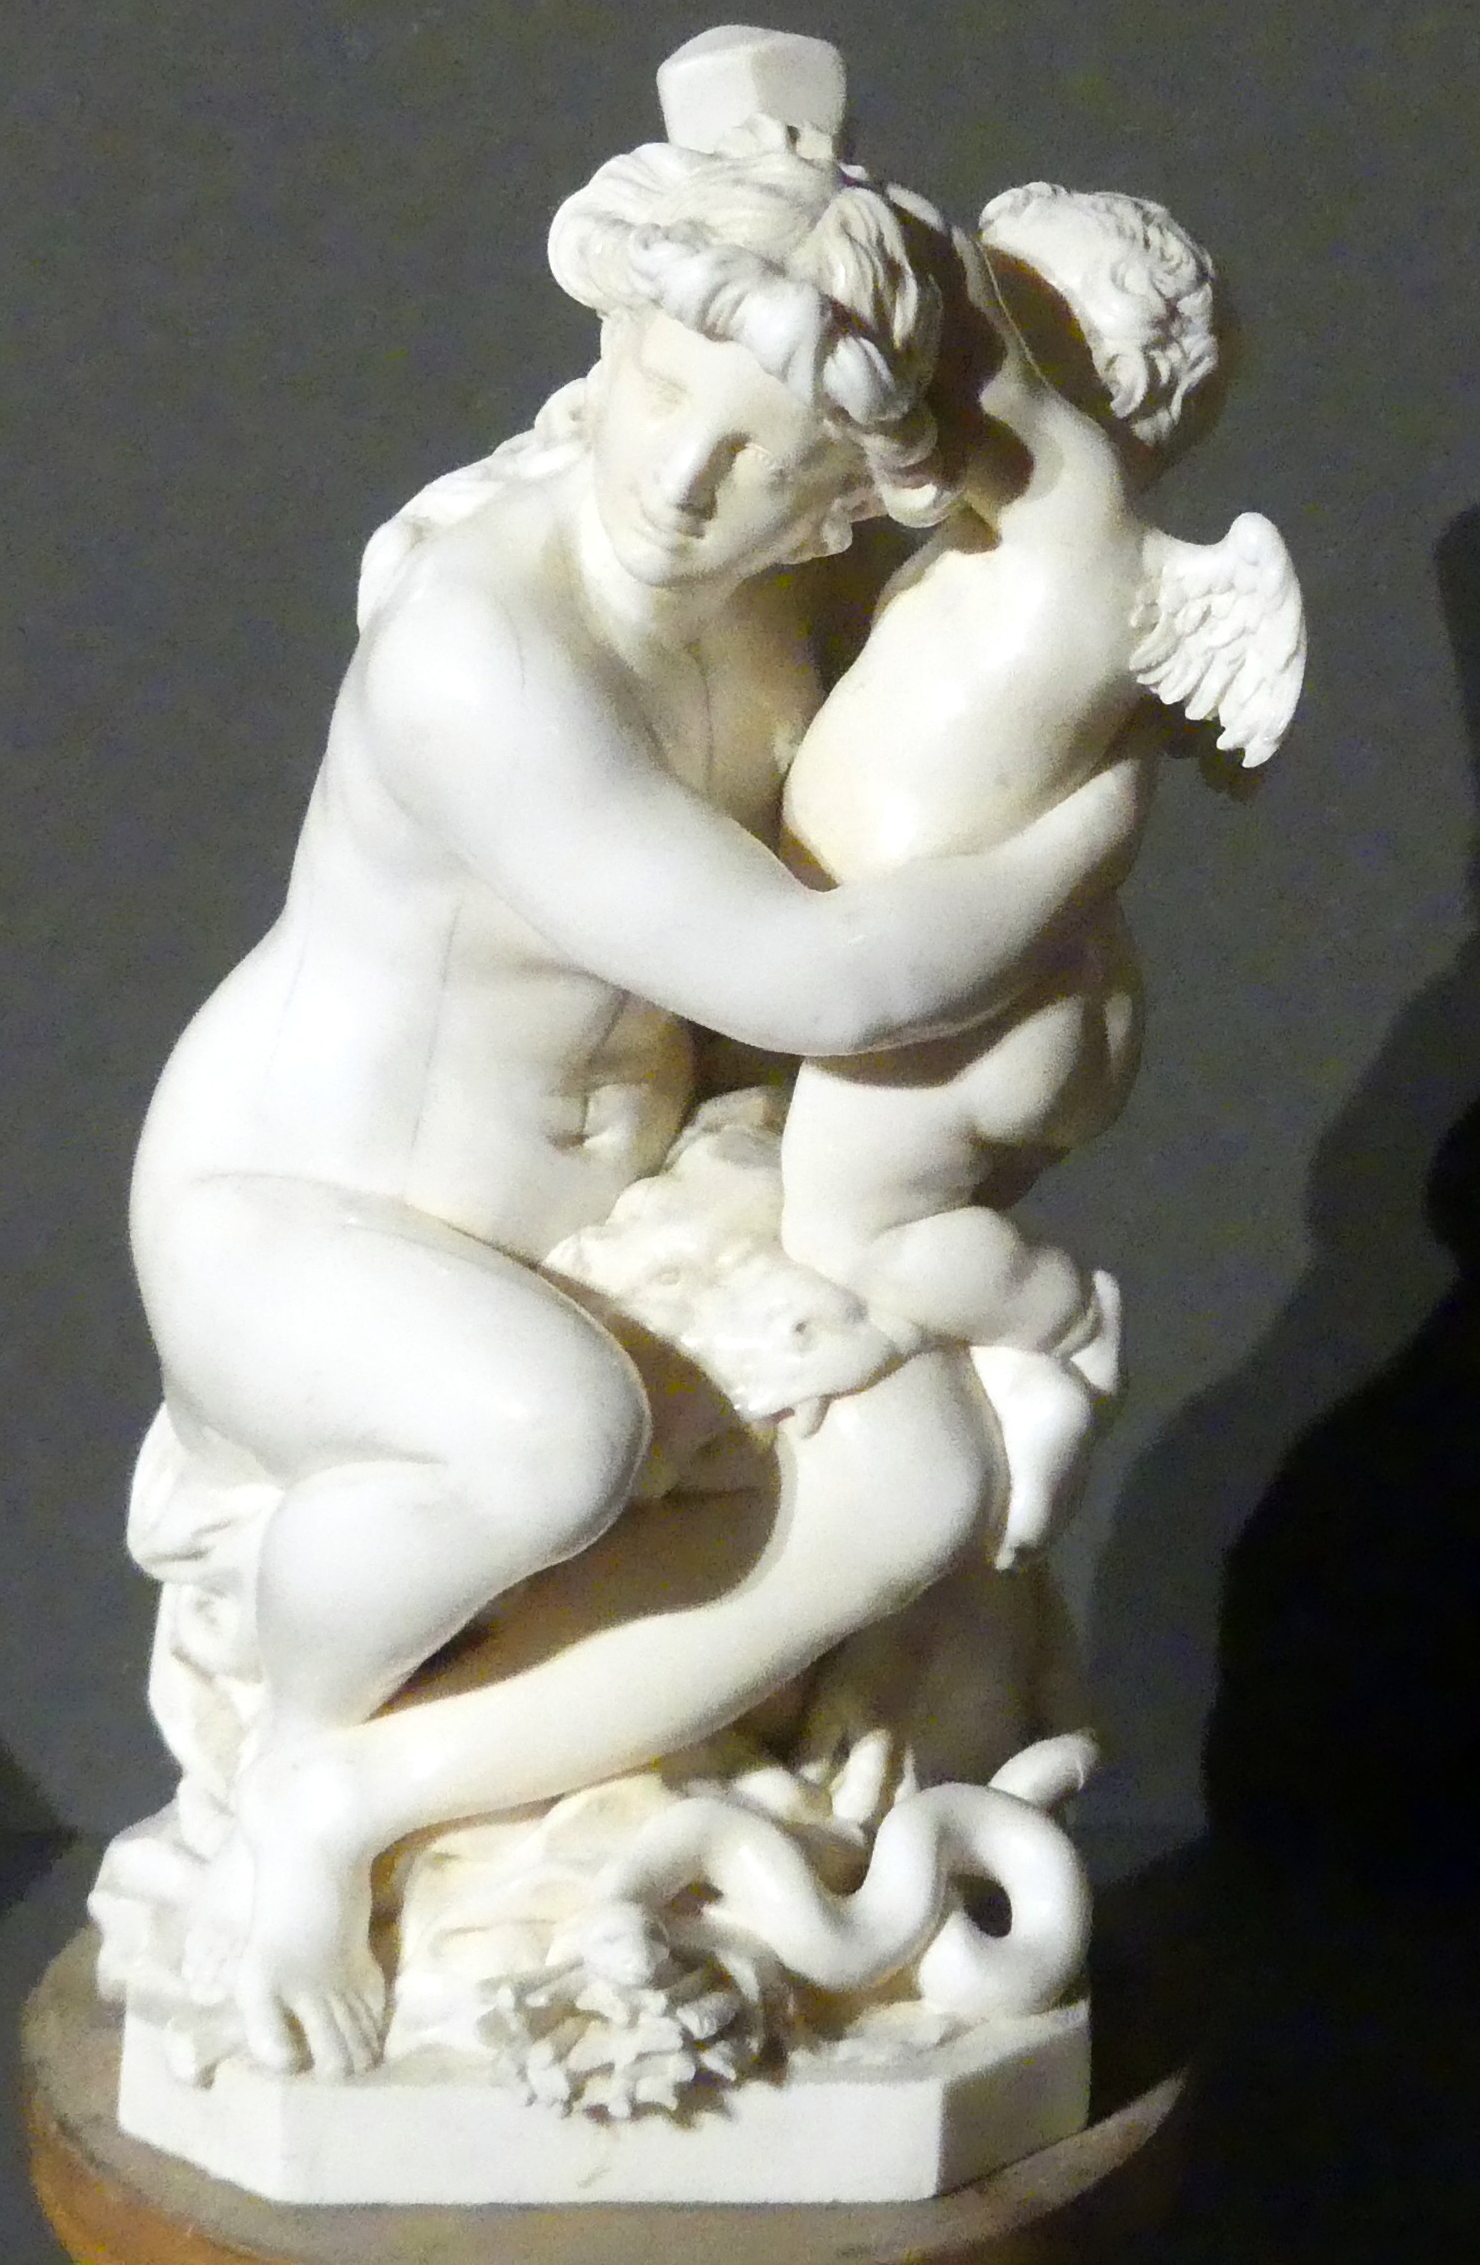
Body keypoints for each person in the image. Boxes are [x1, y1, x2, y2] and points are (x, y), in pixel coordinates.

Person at [122, 128, 1142, 2077]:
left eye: (763, 452)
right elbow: (819, 976)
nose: (683, 477)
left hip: (615, 1212)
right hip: (304, 1217)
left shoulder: (771, 612)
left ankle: (377, 1790)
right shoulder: (481, 646)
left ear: (842, 496)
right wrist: (1094, 828)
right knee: (544, 1435)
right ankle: (290, 1767)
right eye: (666, 394)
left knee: (912, 1483)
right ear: (608, 350)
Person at [778, 182, 1306, 1565]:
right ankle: (968, 1362)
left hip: (972, 1012)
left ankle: (1059, 1329)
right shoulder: (1009, 542)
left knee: (850, 1228)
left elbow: (958, 335)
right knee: (864, 1231)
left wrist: (829, 197)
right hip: (1009, 994)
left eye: (1019, 309)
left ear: (1102, 379)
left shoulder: (1072, 515)